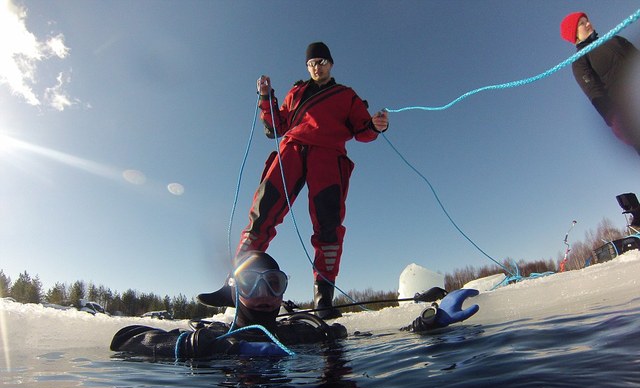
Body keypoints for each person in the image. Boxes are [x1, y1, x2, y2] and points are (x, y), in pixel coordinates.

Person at [233, 41, 389, 320]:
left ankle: (323, 298)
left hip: (328, 157)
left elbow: (363, 130)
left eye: (322, 61)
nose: (317, 66)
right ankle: (239, 283)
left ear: (331, 64)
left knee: (328, 225)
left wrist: (376, 125)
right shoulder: (296, 91)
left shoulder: (345, 95)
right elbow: (275, 128)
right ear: (307, 67)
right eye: (312, 63)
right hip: (290, 152)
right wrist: (266, 97)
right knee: (262, 215)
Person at [112, 251, 480, 360]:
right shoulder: (215, 337)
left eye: (274, 283)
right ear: (234, 293)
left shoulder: (301, 333)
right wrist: (198, 348)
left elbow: (368, 340)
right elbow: (126, 337)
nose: (265, 294)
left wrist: (426, 323)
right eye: (250, 283)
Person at [560, 12, 640, 154]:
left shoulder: (614, 39)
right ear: (574, 34)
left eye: (587, 20)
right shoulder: (580, 61)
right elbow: (593, 90)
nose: (588, 24)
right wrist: (613, 117)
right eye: (582, 23)